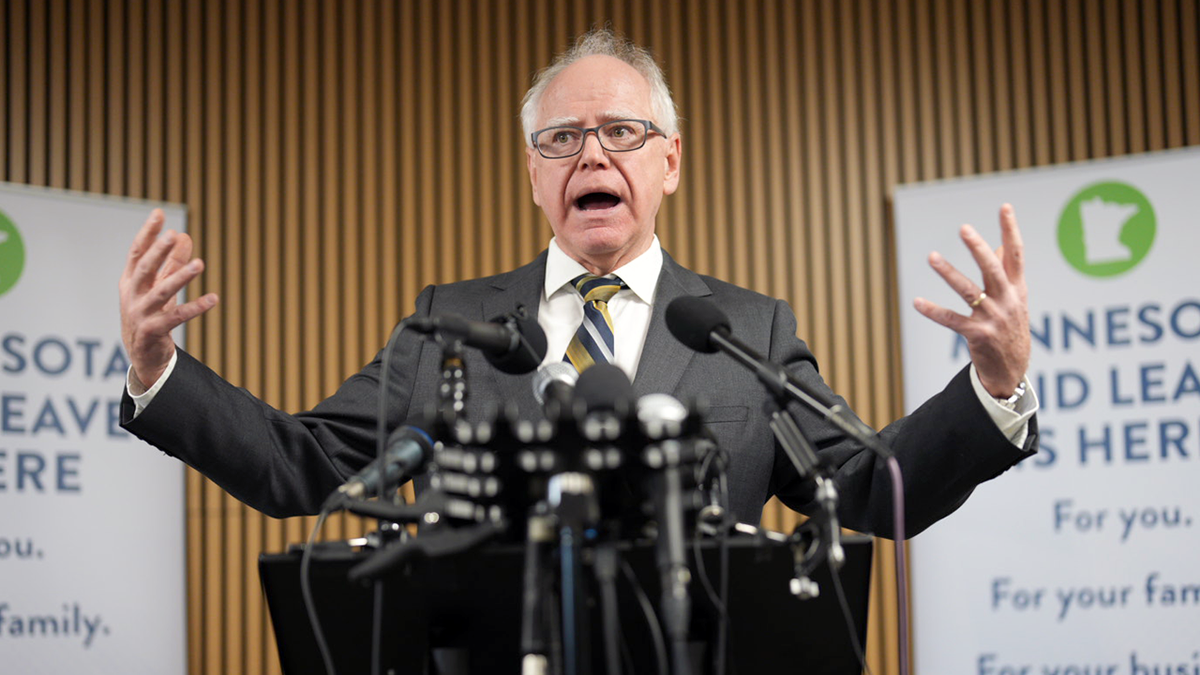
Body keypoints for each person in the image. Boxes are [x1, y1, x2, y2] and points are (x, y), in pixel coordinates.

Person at [118, 29, 1037, 536]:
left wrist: (993, 386)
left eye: (621, 133)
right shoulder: (451, 323)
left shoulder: (746, 331)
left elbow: (867, 485)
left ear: (670, 161)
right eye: (562, 139)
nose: (591, 154)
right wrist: (160, 370)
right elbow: (306, 463)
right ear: (534, 174)